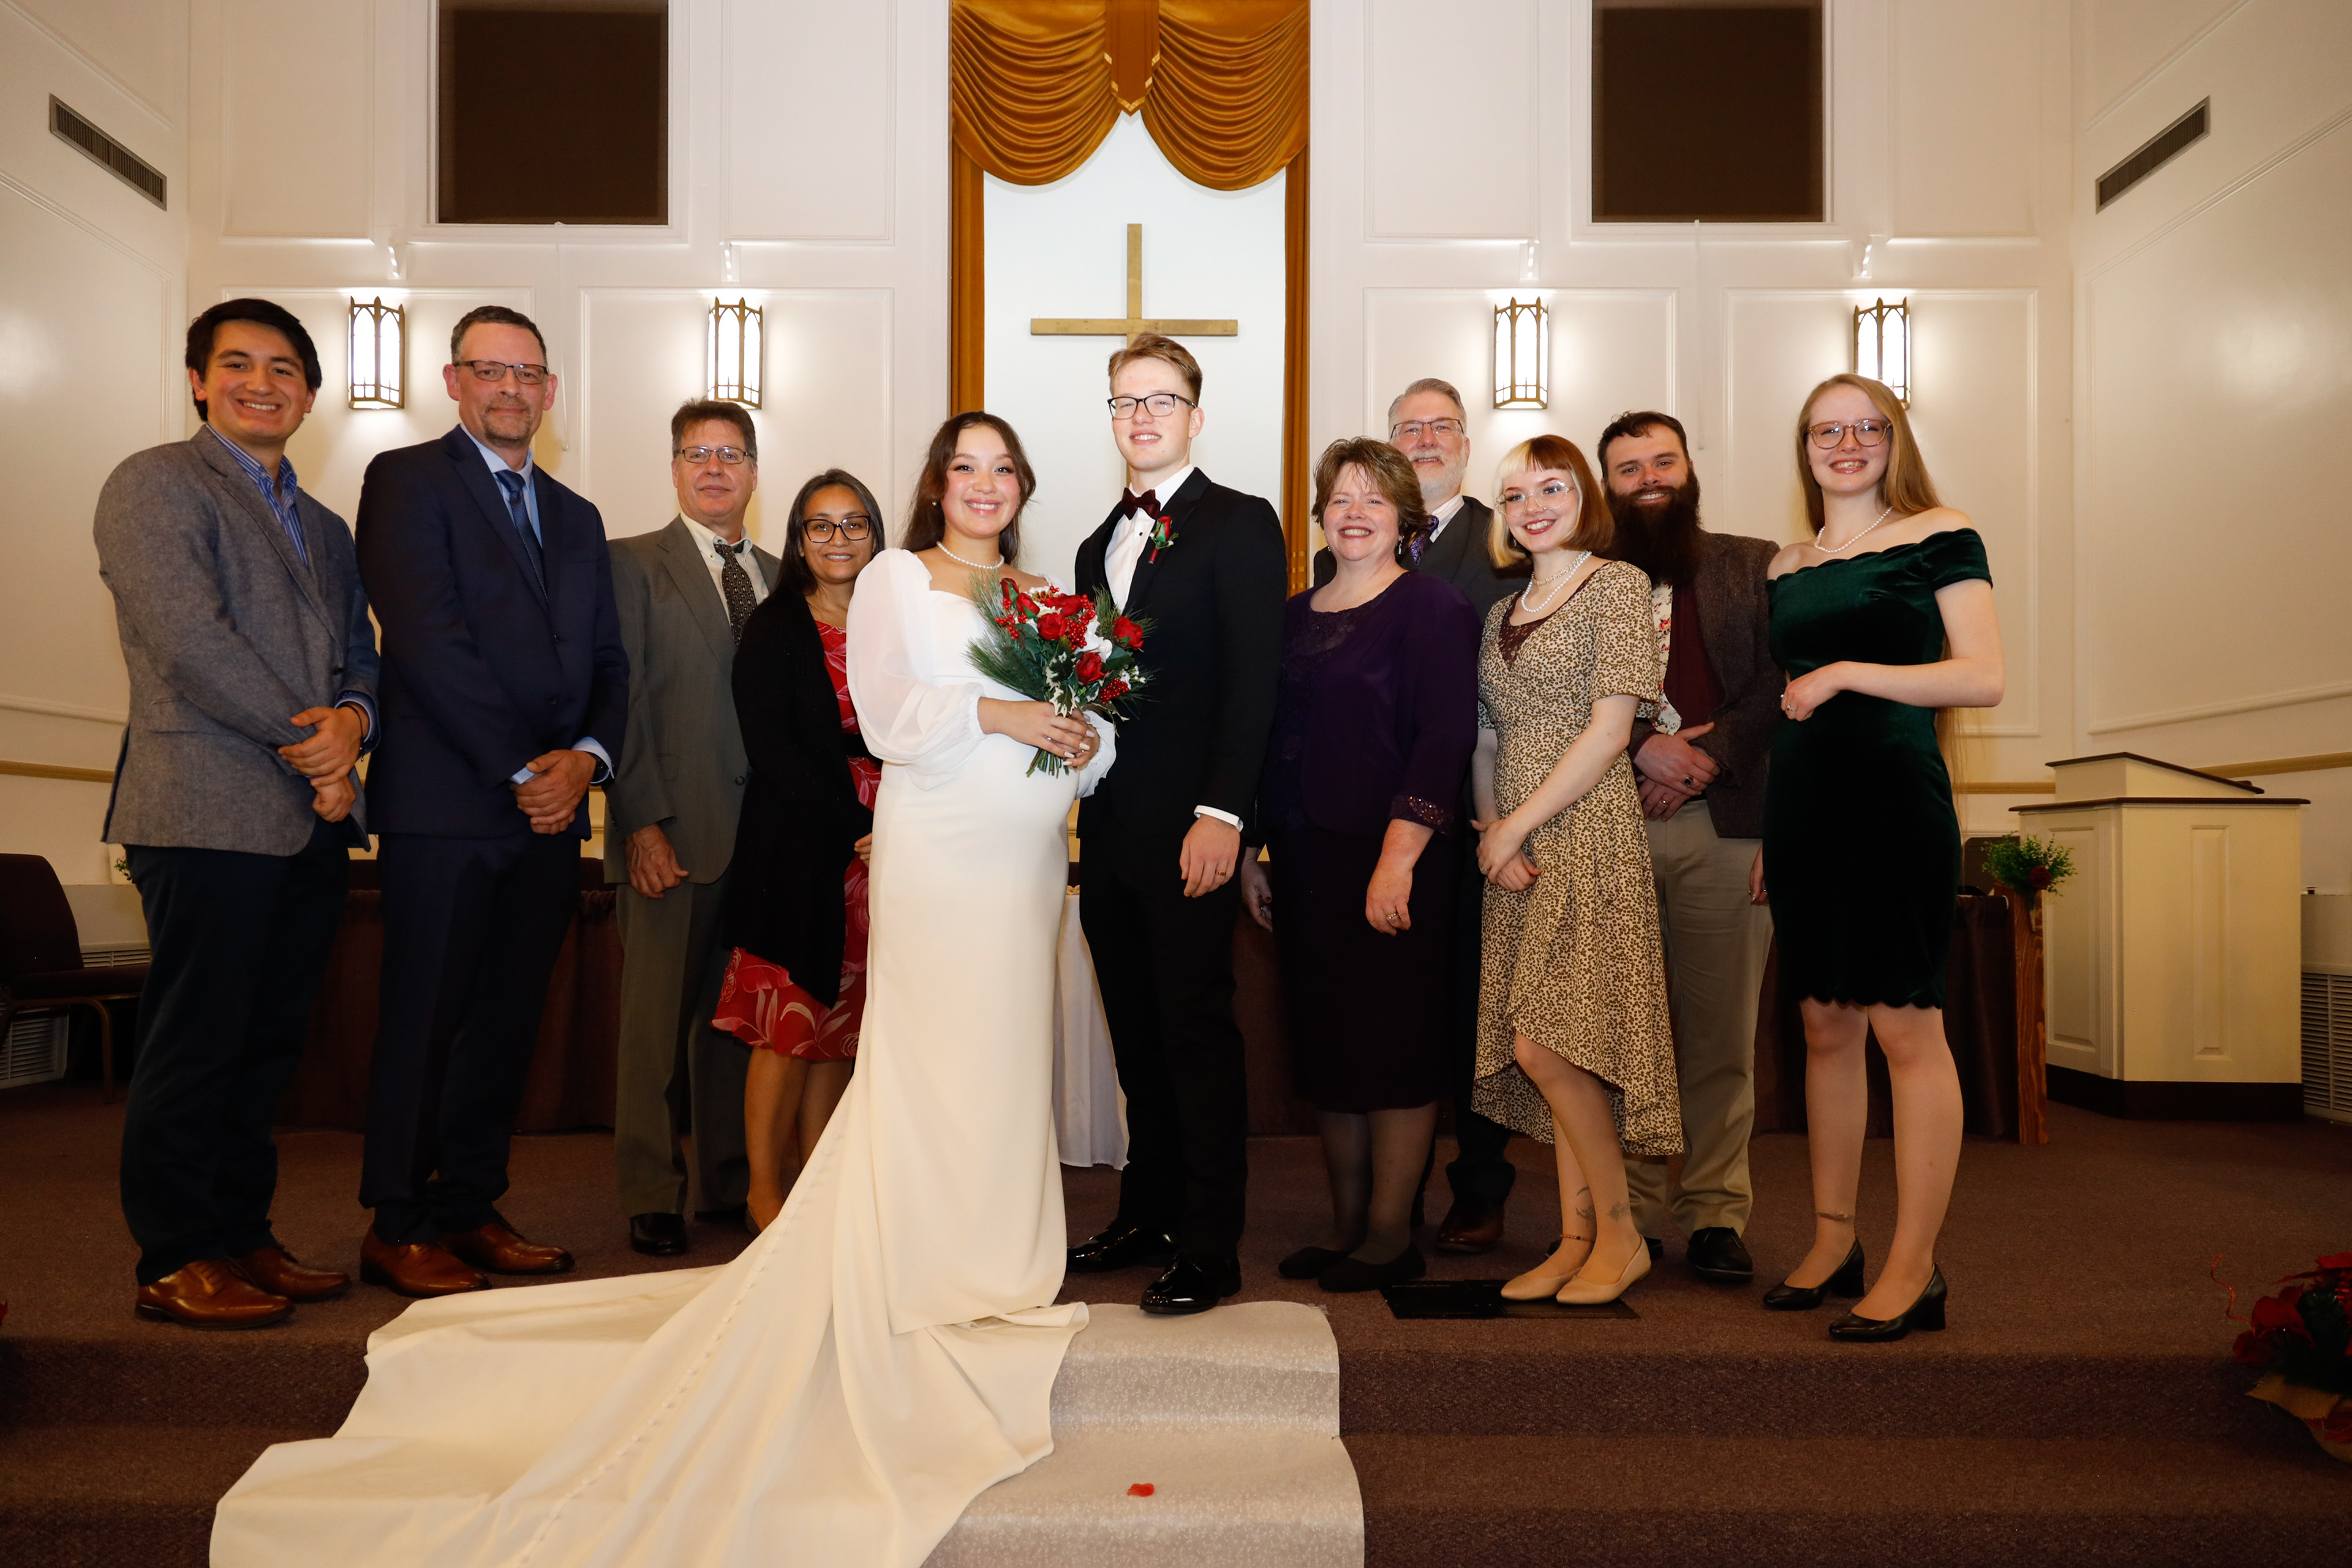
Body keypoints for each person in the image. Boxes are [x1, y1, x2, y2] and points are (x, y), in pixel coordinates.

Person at [215, 412, 1114, 1567]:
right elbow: (888, 718)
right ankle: (890, 1241)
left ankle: (1002, 1248)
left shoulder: (1050, 598)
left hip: (1024, 860)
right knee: (898, 1049)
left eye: (1004, 469)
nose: (985, 484)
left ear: (1023, 485)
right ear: (938, 484)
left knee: (1003, 1059)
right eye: (965, 466)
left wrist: (1085, 743)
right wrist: (1005, 715)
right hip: (925, 848)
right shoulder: (894, 577)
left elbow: (1096, 733)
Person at [94, 299, 379, 1329]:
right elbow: (190, 641)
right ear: (199, 382)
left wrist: (354, 722)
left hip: (309, 821)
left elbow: (360, 652)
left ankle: (242, 1235)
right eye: (239, 364)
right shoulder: (155, 483)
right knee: (197, 1042)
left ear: (309, 394)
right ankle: (176, 1254)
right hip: (203, 811)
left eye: (285, 369)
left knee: (267, 1049)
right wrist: (318, 747)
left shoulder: (327, 527)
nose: (264, 383)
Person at [350, 305, 628, 1297]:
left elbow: (608, 661)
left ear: (551, 391)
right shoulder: (406, 481)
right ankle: (397, 1221)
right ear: (453, 381)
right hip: (446, 807)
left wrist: (585, 762)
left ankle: (469, 1204)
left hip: (553, 814)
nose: (512, 389)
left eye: (528, 374)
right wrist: (525, 771)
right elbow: (428, 641)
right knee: (425, 1018)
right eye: (490, 370)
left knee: (508, 1024)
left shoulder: (578, 516)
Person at [1758, 374, 2002, 1340]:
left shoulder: (1941, 532)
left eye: (1868, 427)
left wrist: (1846, 674)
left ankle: (1915, 1265)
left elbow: (1982, 677)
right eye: (1828, 430)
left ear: (1895, 440)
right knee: (1824, 1024)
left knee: (1905, 1027)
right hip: (1804, 806)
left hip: (1895, 800)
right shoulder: (1786, 563)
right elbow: (1784, 699)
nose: (1848, 443)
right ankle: (1834, 1241)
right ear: (1804, 448)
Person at [1068, 333, 1287, 1316]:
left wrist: (1224, 815)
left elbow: (1253, 682)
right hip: (1110, 832)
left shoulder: (1239, 522)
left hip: (1195, 827)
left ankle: (1209, 1243)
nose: (1142, 416)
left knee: (1195, 1032)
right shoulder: (1094, 545)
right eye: (1126, 401)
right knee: (1136, 1035)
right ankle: (1146, 1213)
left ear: (1196, 417)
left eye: (1161, 400)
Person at [1240, 438, 1477, 1292]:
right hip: (1306, 858)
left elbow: (1443, 738)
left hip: (1395, 857)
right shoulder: (1293, 614)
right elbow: (1269, 737)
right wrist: (1255, 849)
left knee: (1394, 1046)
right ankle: (1345, 1226)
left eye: (1374, 499)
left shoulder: (1434, 607)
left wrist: (1398, 858)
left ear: (1405, 518)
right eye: (1340, 498)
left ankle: (1389, 1233)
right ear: (1321, 514)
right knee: (1329, 1048)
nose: (1354, 513)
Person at [1313, 377, 1528, 1256]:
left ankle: (1476, 1187)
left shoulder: (1505, 543)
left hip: (1477, 816)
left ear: (1467, 446)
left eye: (1444, 426)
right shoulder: (1325, 580)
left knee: (1466, 1010)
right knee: (1370, 1025)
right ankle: (1379, 1214)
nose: (1427, 438)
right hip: (1339, 838)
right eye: (1410, 427)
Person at [1469, 434, 1680, 1307]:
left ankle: (1621, 1236)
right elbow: (1485, 740)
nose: (1533, 508)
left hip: (1587, 830)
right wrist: (1494, 829)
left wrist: (1515, 826)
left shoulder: (1617, 585)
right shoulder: (1500, 611)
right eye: (1515, 495)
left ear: (1584, 496)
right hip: (1517, 847)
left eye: (1551, 488)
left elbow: (1610, 731)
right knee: (1555, 1047)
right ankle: (1576, 1238)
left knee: (1550, 1044)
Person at [1596, 409, 1780, 1286]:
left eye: (1662, 461)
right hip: (1609, 827)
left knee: (1719, 1037)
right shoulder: (1583, 576)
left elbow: (1782, 680)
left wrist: (1705, 758)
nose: (1649, 480)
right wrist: (1643, 745)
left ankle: (1713, 1213)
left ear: (1689, 469)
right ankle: (1626, 1213)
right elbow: (1560, 692)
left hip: (1728, 828)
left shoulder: (1753, 563)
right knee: (1618, 1034)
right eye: (1629, 469)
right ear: (1608, 486)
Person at [602, 401, 780, 1257]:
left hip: (766, 845)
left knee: (736, 1025)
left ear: (754, 472)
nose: (714, 468)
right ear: (674, 468)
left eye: (731, 454)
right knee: (654, 1032)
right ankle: (650, 1190)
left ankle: (727, 1179)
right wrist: (642, 821)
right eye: (697, 453)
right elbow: (621, 702)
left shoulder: (784, 575)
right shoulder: (630, 564)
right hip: (670, 833)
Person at [715, 469, 884, 1232]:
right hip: (799, 846)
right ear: (798, 540)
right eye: (822, 525)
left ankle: (816, 1189)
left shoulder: (893, 622)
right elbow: (773, 749)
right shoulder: (776, 624)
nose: (839, 538)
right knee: (787, 1027)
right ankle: (763, 1193)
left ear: (875, 536)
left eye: (855, 523)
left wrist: (896, 820)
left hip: (886, 844)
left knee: (840, 1028)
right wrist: (856, 823)